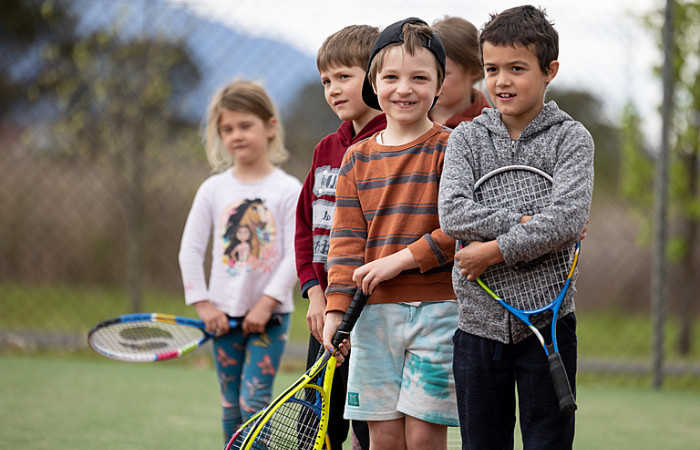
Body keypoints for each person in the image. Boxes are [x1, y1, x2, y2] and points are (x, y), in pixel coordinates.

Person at [437, 6, 595, 450]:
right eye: (492, 69)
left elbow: (566, 219)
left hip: (550, 325)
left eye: (517, 69)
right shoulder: (466, 137)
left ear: (549, 71)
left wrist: (493, 251)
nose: (502, 81)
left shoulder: (572, 138)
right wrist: (527, 221)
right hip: (477, 327)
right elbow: (453, 214)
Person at [322, 18, 458, 450]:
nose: (404, 89)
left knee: (423, 436)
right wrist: (335, 310)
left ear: (439, 85)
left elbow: (461, 230)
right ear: (374, 84)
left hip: (440, 312)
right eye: (391, 77)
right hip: (372, 316)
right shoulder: (356, 158)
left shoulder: (453, 148)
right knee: (382, 438)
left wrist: (399, 261)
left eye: (420, 78)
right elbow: (345, 242)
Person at [178, 80, 301, 444]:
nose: (236, 136)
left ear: (270, 126)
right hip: (222, 321)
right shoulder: (212, 189)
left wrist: (266, 304)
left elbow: (297, 253)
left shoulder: (288, 190)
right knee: (231, 407)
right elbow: (190, 250)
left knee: (254, 403)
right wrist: (203, 305)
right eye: (227, 129)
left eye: (246, 126)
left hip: (270, 321)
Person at [294, 24, 385, 450]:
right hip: (326, 314)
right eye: (326, 81)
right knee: (315, 426)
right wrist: (316, 293)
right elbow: (304, 225)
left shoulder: (390, 144)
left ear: (376, 77)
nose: (333, 89)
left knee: (371, 428)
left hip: (372, 315)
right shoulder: (325, 149)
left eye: (344, 77)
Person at [430, 16, 492, 127]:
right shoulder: (403, 115)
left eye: (443, 73)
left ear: (474, 71)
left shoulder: (489, 128)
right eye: (425, 73)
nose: (433, 82)